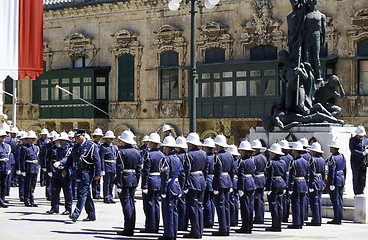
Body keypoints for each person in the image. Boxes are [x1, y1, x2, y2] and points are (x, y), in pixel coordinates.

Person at [62, 129, 101, 223]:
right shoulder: (75, 147)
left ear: (83, 135)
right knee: (86, 194)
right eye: (75, 137)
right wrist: (65, 169)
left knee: (82, 193)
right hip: (78, 171)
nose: (76, 139)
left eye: (78, 136)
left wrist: (98, 174)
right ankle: (91, 214)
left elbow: (97, 161)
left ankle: (76, 214)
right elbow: (70, 159)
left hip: (87, 172)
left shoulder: (91, 146)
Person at [158, 135, 185, 240]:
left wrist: (163, 190)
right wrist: (181, 188)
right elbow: (182, 175)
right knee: (174, 211)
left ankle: (168, 235)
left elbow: (165, 175)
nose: (164, 148)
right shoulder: (178, 159)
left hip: (169, 187)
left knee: (168, 212)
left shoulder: (166, 159)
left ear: (168, 147)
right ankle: (174, 233)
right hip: (176, 187)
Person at [116, 130, 142, 236]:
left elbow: (119, 169)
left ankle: (128, 228)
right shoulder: (137, 152)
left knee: (126, 204)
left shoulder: (121, 152)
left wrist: (118, 183)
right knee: (131, 203)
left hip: (125, 179)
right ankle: (131, 226)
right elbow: (139, 169)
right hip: (133, 179)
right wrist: (137, 180)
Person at [183, 132, 207, 239]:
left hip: (192, 181)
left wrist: (185, 185)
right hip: (201, 180)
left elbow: (186, 171)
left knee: (192, 207)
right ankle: (199, 230)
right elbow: (206, 169)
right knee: (200, 207)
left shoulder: (189, 155)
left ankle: (195, 231)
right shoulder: (203, 153)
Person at [141, 132, 165, 233]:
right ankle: (156, 226)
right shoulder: (162, 154)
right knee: (156, 204)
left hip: (150, 181)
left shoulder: (148, 154)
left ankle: (150, 227)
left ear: (151, 143)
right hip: (158, 181)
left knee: (149, 205)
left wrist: (144, 185)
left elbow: (146, 171)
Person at [46, 132, 73, 215]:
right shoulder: (58, 149)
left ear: (66, 141)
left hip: (66, 171)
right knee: (55, 190)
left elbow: (67, 158)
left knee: (67, 190)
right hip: (57, 171)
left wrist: (60, 162)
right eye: (59, 140)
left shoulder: (69, 149)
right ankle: (54, 207)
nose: (60, 141)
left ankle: (68, 208)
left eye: (62, 140)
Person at [212, 134, 234, 236]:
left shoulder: (218, 156)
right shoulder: (229, 155)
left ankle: (223, 228)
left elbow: (217, 172)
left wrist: (215, 186)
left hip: (220, 181)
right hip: (228, 180)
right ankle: (227, 227)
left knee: (220, 206)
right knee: (226, 205)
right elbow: (232, 171)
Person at [265, 143, 288, 232]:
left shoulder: (271, 162)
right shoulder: (283, 162)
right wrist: (285, 185)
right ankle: (278, 224)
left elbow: (270, 176)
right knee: (280, 205)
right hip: (281, 183)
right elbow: (285, 174)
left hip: (274, 184)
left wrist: (268, 188)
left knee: (273, 205)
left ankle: (275, 225)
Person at [236, 140, 256, 234]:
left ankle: (245, 227)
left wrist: (240, 188)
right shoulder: (252, 160)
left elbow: (241, 175)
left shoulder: (242, 161)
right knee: (250, 206)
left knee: (245, 207)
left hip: (245, 184)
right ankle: (249, 226)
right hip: (251, 183)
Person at [303, 0, 326, 81]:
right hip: (307, 38)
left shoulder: (321, 16)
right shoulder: (305, 15)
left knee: (316, 58)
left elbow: (323, 30)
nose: (309, 3)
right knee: (307, 58)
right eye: (308, 2)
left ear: (315, 2)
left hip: (316, 38)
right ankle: (308, 76)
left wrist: (323, 42)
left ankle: (318, 76)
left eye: (310, 1)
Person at [288, 141, 309, 229]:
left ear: (296, 151)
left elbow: (292, 176)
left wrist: (290, 187)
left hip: (296, 184)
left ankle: (296, 223)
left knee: (296, 204)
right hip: (303, 183)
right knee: (302, 203)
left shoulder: (294, 162)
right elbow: (308, 175)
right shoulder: (305, 161)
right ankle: (301, 221)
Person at [327, 139, 346, 225]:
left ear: (334, 148)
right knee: (340, 199)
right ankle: (340, 217)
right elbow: (345, 169)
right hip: (341, 179)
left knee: (335, 200)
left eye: (331, 147)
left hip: (335, 181)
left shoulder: (332, 158)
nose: (330, 149)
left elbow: (331, 172)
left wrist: (331, 183)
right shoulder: (342, 156)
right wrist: (343, 179)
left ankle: (337, 218)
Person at [306, 142, 325, 226]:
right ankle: (318, 219)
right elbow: (324, 173)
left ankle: (316, 220)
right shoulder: (322, 160)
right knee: (318, 201)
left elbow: (311, 173)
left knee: (314, 202)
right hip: (320, 180)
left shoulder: (312, 159)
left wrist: (310, 184)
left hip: (315, 181)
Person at [20, 130, 40, 207]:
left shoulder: (36, 147)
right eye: (31, 138)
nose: (32, 140)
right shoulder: (25, 148)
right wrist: (23, 170)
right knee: (27, 185)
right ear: (27, 139)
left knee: (33, 185)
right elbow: (22, 159)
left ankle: (32, 200)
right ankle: (27, 200)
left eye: (33, 138)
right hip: (28, 168)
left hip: (34, 168)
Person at [99, 130, 118, 204]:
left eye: (112, 138)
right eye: (110, 138)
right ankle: (106, 197)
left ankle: (110, 196)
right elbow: (102, 158)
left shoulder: (114, 147)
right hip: (107, 166)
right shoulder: (103, 147)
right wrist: (102, 169)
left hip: (113, 166)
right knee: (106, 182)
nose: (111, 140)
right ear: (106, 139)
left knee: (111, 183)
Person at [349, 126, 368, 195]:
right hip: (355, 162)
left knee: (363, 177)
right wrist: (362, 153)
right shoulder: (352, 140)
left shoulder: (365, 140)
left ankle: (362, 191)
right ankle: (356, 192)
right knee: (356, 177)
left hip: (363, 162)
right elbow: (353, 150)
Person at [251, 139, 267, 224]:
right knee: (261, 199)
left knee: (257, 200)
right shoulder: (264, 157)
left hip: (256, 179)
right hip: (262, 179)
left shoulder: (254, 158)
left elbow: (253, 169)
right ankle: (261, 217)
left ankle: (258, 217)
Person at [175, 136, 189, 231]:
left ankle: (181, 224)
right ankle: (184, 224)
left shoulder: (178, 157)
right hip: (187, 182)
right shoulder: (187, 156)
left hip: (179, 182)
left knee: (180, 204)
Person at [202, 138, 215, 229]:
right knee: (212, 201)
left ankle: (208, 221)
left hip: (207, 180)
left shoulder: (206, 157)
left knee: (206, 201)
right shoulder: (216, 156)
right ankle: (211, 220)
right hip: (214, 180)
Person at [279, 139, 293, 223]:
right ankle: (286, 215)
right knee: (287, 199)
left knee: (282, 199)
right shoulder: (291, 157)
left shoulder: (281, 158)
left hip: (283, 179)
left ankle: (282, 215)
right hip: (289, 178)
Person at [226, 144, 240, 227]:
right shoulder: (238, 161)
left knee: (231, 201)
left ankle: (232, 219)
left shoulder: (232, 162)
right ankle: (235, 219)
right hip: (236, 181)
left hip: (232, 181)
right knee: (235, 201)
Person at [91, 127, 103, 199]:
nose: (99, 138)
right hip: (94, 164)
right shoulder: (92, 145)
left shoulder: (101, 145)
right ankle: (95, 193)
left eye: (100, 136)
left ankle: (98, 193)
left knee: (99, 180)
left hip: (100, 164)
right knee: (94, 180)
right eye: (98, 136)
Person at [0, 129, 11, 208]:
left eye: (4, 136)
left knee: (4, 184)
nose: (3, 138)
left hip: (5, 167)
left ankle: (2, 199)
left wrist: (9, 167)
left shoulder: (7, 146)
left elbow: (8, 157)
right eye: (2, 136)